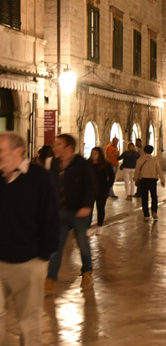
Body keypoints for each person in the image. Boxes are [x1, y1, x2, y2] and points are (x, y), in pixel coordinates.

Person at [0, 133, 59, 345]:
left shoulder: (39, 178)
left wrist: (42, 257)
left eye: (1, 151)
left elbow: (52, 217)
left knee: (29, 323)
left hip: (29, 262)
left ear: (18, 152)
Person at [46, 134, 98, 293]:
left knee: (82, 243)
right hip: (60, 212)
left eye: (58, 144)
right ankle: (51, 279)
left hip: (79, 212)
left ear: (68, 147)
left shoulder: (81, 163)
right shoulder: (54, 164)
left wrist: (87, 206)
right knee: (56, 246)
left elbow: (92, 185)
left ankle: (87, 272)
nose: (54, 147)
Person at [134, 145, 166, 221]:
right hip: (152, 180)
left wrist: (136, 179)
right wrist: (162, 180)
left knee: (144, 197)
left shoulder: (140, 159)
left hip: (143, 180)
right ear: (152, 151)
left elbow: (137, 170)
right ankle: (154, 212)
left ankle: (146, 215)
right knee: (154, 196)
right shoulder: (154, 159)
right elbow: (159, 170)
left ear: (144, 151)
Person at [89, 147, 115, 235]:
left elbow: (112, 176)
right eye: (92, 153)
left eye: (95, 153)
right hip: (91, 190)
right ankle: (88, 227)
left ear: (100, 154)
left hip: (102, 190)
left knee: (100, 208)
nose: (93, 155)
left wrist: (108, 186)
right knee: (89, 209)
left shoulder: (105, 164)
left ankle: (100, 226)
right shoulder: (88, 163)